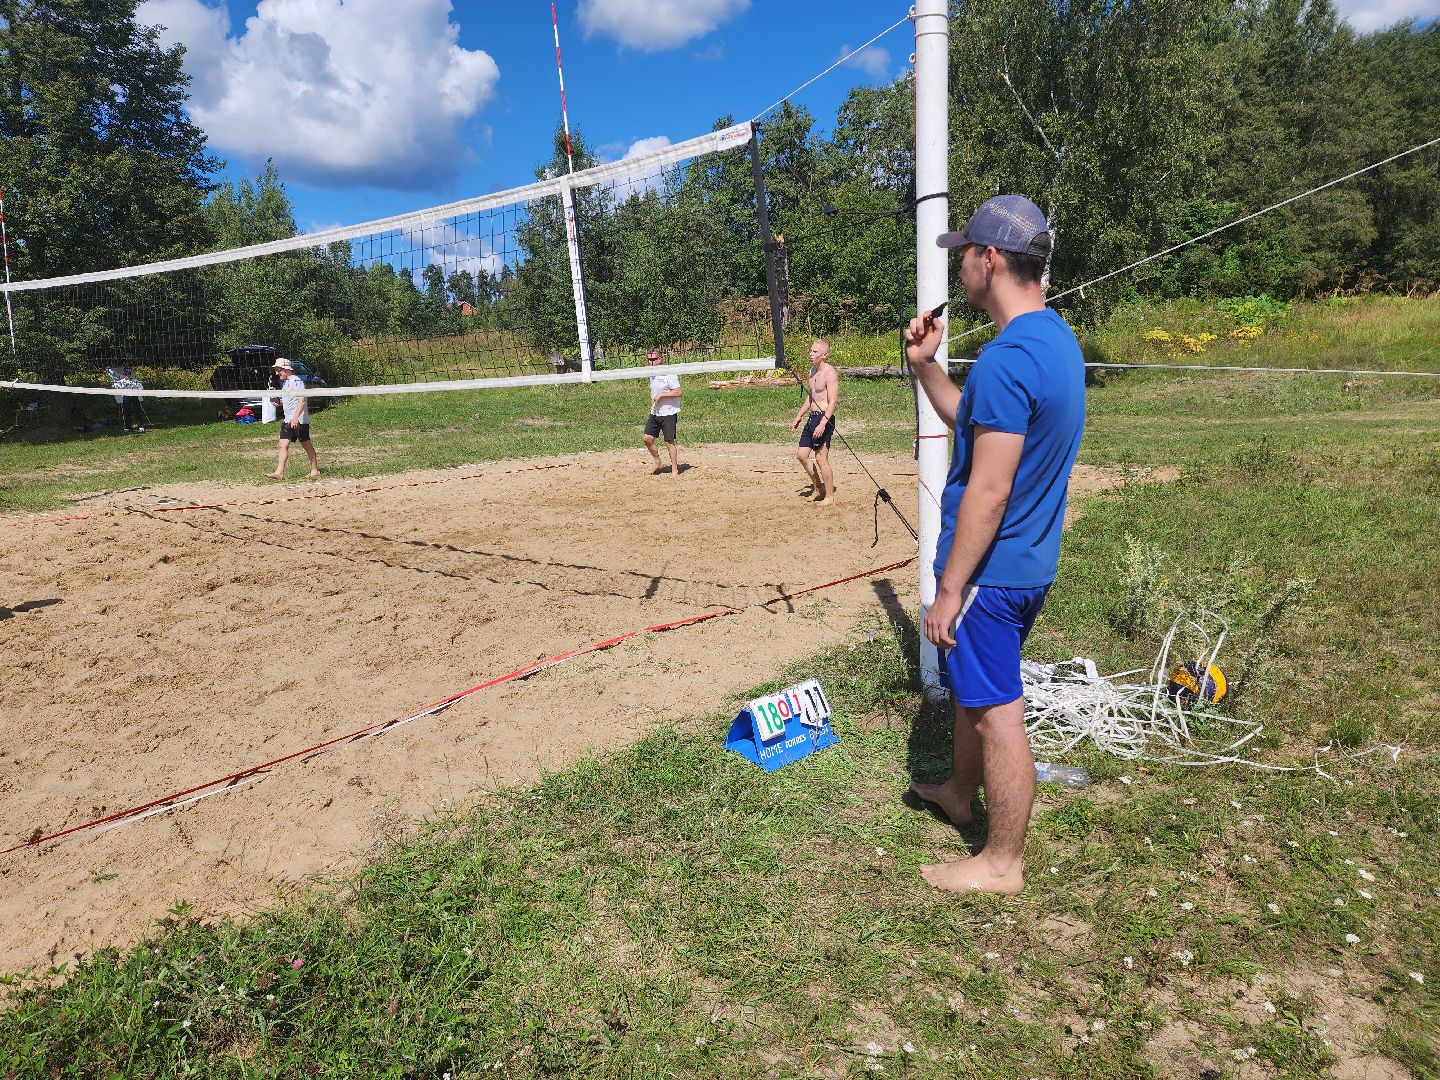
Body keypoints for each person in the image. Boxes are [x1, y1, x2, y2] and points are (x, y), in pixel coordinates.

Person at [903, 195, 1086, 896]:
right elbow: (977, 421)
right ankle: (956, 790)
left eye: (964, 255)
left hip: (990, 571)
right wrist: (926, 366)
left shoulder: (1011, 359)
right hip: (1025, 562)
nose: (961, 270)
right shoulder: (1053, 340)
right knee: (976, 694)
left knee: (995, 710)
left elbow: (989, 490)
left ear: (991, 259)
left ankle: (1001, 861)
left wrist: (949, 589)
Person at [790, 339, 838, 503]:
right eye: (811, 351)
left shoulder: (830, 373)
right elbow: (811, 397)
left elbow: (832, 402)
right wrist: (799, 415)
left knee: (820, 458)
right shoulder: (812, 371)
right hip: (812, 418)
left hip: (824, 418)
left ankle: (829, 496)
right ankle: (818, 488)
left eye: (815, 352)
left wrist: (823, 424)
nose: (811, 354)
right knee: (802, 455)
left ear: (824, 355)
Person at [265, 357, 320, 479]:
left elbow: (301, 401)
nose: (277, 373)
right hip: (288, 420)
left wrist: (295, 418)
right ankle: (279, 472)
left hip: (299, 420)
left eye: (278, 370)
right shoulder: (285, 383)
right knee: (283, 444)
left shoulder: (297, 381)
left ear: (286, 369)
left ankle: (315, 470)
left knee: (306, 444)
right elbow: (290, 401)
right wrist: (279, 404)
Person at [643, 348, 681, 477]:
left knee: (669, 441)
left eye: (653, 359)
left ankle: (674, 470)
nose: (650, 362)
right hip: (655, 412)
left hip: (669, 412)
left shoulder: (669, 373)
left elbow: (678, 392)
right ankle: (657, 461)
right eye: (648, 359)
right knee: (647, 438)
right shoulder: (651, 373)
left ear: (660, 359)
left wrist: (661, 395)